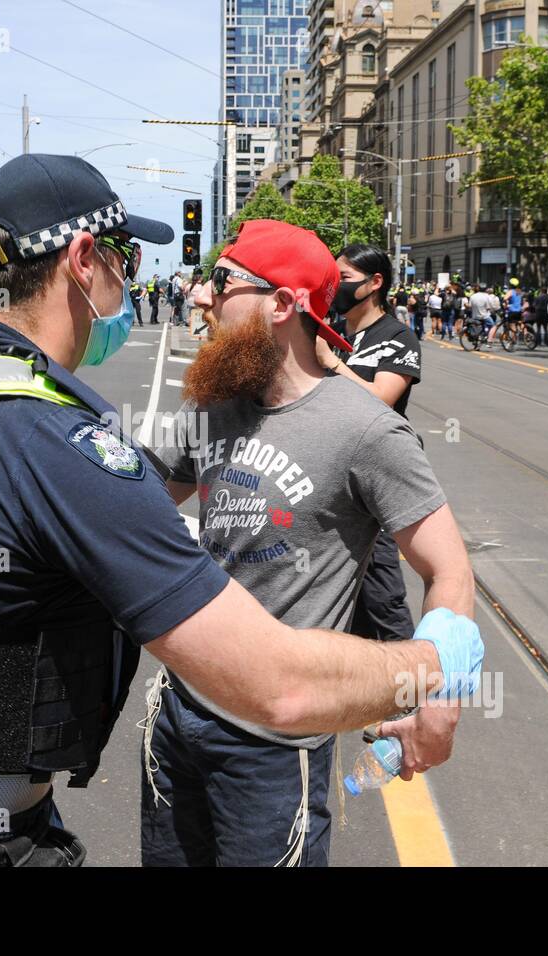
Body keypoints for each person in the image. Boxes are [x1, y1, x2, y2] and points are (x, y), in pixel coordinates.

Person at [0, 154, 482, 867]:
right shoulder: (58, 439)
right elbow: (283, 685)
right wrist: (429, 665)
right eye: (125, 258)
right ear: (83, 259)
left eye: (220, 282)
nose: (189, 295)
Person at [145, 221, 474, 866]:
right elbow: (133, 510)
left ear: (282, 304)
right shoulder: (212, 410)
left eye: (222, 281)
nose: (203, 298)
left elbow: (451, 569)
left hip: (272, 746)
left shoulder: (366, 431)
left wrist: (441, 696)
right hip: (177, 717)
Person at [318, 243, 423, 643]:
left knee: (382, 593)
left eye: (343, 279)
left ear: (374, 282)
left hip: (374, 481)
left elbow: (382, 399)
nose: (336, 288)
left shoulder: (397, 338)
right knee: (336, 586)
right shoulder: (332, 329)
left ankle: (410, 689)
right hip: (329, 474)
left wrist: (332, 364)